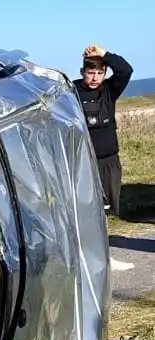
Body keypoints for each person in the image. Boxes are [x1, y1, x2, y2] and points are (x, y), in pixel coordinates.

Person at [73, 44, 133, 218]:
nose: (95, 78)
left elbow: (125, 70)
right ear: (82, 71)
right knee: (86, 209)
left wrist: (103, 54)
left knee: (107, 210)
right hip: (84, 162)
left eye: (100, 73)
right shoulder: (72, 91)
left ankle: (102, 241)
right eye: (91, 73)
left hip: (109, 161)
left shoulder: (109, 90)